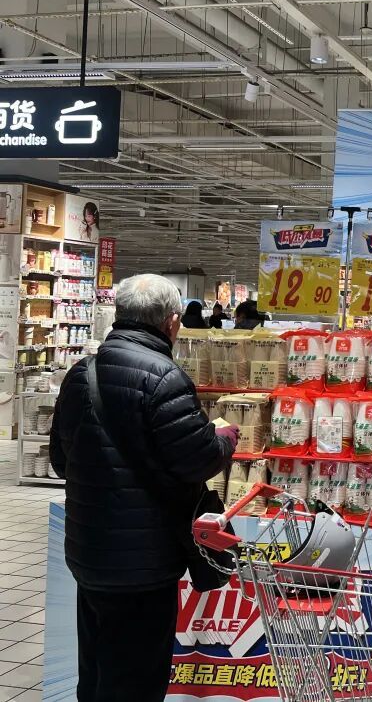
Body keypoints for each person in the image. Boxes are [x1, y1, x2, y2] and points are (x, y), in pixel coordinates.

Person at [49, 274, 238, 702]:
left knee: (95, 674)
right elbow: (197, 460)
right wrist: (224, 439)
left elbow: (61, 461)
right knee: (136, 682)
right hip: (144, 564)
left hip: (89, 553)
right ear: (171, 322)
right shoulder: (165, 377)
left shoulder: (81, 374)